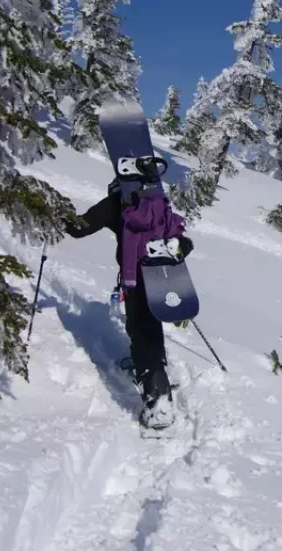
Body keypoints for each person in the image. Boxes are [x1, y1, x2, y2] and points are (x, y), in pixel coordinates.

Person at [66, 179, 193, 429]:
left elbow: (79, 228)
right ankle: (154, 368)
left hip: (136, 273)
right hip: (164, 272)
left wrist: (55, 214)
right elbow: (179, 237)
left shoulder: (117, 201)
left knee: (141, 327)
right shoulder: (157, 201)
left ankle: (158, 400)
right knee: (149, 323)